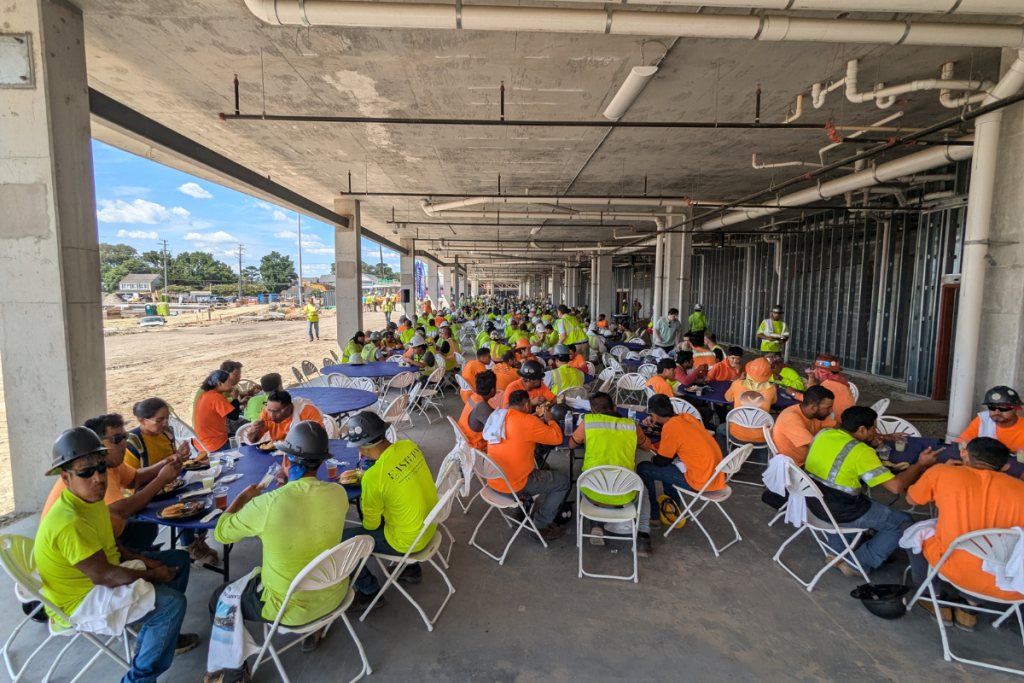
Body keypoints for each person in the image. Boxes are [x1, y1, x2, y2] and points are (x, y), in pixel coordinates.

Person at [35, 428, 198, 683]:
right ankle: (138, 679)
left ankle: (155, 639)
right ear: (66, 478)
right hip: (83, 600)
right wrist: (153, 574)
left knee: (178, 560)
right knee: (171, 605)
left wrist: (144, 561)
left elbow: (112, 546)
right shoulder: (69, 522)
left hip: (102, 576)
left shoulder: (90, 499)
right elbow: (105, 575)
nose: (97, 478)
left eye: (100, 468)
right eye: (86, 472)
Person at [209, 422, 349, 669]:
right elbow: (306, 508)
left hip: (289, 608)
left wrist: (242, 498)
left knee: (218, 597)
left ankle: (232, 671)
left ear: (287, 459)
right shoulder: (338, 493)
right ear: (321, 462)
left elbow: (221, 534)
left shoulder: (268, 504)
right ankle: (314, 631)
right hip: (334, 593)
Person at [906, 437, 1024, 631]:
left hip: (956, 571)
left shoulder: (942, 472)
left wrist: (945, 471)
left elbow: (911, 499)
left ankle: (932, 597)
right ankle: (969, 609)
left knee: (912, 531)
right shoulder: (1020, 490)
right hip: (1010, 583)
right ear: (1005, 466)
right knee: (994, 549)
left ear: (963, 453)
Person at [804, 407, 936, 576]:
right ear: (862, 429)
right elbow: (896, 487)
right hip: (841, 511)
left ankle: (836, 552)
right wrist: (921, 464)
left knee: (861, 502)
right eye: (874, 428)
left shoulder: (823, 434)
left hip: (813, 503)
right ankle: (857, 564)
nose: (876, 432)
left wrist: (868, 443)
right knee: (903, 522)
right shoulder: (860, 451)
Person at [43, 414, 184, 554]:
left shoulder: (109, 463)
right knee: (177, 560)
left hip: (105, 532)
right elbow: (122, 510)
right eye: (117, 439)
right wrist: (161, 480)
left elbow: (135, 479)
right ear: (97, 444)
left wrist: (165, 463)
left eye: (125, 437)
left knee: (147, 528)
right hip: (83, 547)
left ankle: (143, 556)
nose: (125, 443)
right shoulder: (96, 474)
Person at [342, 412, 439, 601]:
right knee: (397, 504)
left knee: (342, 541)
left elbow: (370, 525)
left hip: (407, 540)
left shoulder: (373, 477)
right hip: (428, 525)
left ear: (362, 448)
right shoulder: (408, 446)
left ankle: (370, 592)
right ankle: (411, 569)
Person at [568, 392, 654, 555]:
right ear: (615, 407)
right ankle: (643, 537)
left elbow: (572, 444)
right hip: (625, 494)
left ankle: (596, 526)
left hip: (592, 495)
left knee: (590, 480)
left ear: (592, 411)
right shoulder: (631, 426)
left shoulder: (588, 422)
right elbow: (647, 447)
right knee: (644, 492)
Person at [484, 390, 568, 541]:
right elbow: (556, 438)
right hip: (515, 487)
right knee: (563, 482)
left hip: (493, 481)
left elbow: (517, 426)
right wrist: (550, 420)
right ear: (527, 404)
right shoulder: (529, 422)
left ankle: (519, 511)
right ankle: (541, 526)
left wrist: (531, 418)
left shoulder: (498, 416)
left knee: (521, 464)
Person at [637, 394, 725, 523]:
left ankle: (653, 514)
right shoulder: (686, 417)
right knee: (669, 464)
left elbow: (661, 461)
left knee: (644, 467)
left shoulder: (671, 427)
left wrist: (653, 460)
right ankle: (672, 505)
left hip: (702, 481)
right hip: (716, 474)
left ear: (654, 414)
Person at [718, 358, 777, 452]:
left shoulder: (737, 384)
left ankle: (725, 457)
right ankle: (764, 462)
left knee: (720, 428)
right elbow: (773, 401)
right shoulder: (771, 389)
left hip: (737, 435)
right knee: (766, 431)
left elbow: (728, 398)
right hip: (762, 438)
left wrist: (738, 380)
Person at [771, 385, 836, 466]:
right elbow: (815, 446)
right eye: (828, 407)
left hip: (808, 460)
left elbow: (837, 426)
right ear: (813, 408)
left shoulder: (817, 414)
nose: (831, 410)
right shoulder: (790, 419)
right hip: (793, 466)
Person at [955, 385, 1024, 453]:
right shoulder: (983, 421)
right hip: (984, 463)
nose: (997, 412)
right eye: (992, 407)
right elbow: (961, 444)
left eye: (1003, 408)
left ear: (1017, 410)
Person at [126, 398, 191, 469]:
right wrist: (166, 462)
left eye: (167, 418)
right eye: (159, 420)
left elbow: (170, 459)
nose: (165, 423)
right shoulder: (132, 443)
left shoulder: (166, 433)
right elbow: (132, 477)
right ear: (142, 421)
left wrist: (179, 456)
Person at [248, 390, 325, 444]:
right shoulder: (266, 413)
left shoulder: (306, 411)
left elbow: (320, 438)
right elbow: (253, 440)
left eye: (276, 411)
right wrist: (254, 430)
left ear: (288, 408)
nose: (271, 415)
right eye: (269, 410)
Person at [194, 370, 238, 453]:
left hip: (200, 443)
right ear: (220, 384)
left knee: (236, 435)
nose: (231, 383)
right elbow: (234, 416)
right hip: (214, 444)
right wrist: (235, 398)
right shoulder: (216, 398)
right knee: (246, 442)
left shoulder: (204, 394)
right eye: (229, 381)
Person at [804, 354, 855, 419]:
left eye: (817, 369)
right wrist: (811, 377)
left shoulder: (828, 384)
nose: (815, 371)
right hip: (847, 418)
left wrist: (793, 393)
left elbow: (810, 398)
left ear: (823, 371)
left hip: (836, 419)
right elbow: (812, 391)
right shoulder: (838, 380)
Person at [459, 370, 497, 451]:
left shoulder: (473, 397)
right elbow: (497, 429)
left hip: (465, 442)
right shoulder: (482, 407)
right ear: (493, 390)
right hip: (475, 448)